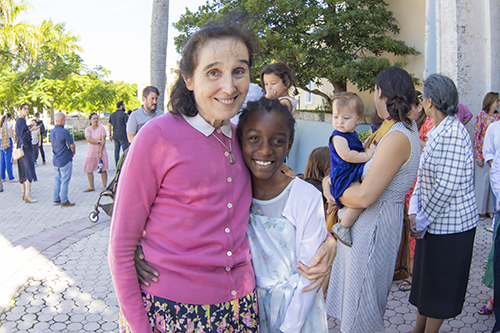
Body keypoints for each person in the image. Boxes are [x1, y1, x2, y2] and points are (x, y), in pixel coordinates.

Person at [108, 22, 336, 333]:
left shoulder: (242, 139)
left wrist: (329, 241)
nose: (229, 87)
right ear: (188, 78)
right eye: (213, 72)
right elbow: (121, 247)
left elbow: (283, 192)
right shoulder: (157, 138)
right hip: (171, 312)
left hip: (240, 311)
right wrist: (138, 327)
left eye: (239, 71)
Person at [324, 66, 420, 332]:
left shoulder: (398, 135)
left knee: (362, 310)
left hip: (373, 226)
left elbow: (366, 195)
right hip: (369, 224)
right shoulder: (392, 130)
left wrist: (335, 192)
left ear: (380, 93)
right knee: (359, 302)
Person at [237, 98, 328, 333]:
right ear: (239, 140)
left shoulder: (305, 196)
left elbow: (310, 275)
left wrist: (289, 328)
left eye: (277, 141)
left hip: (296, 313)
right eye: (254, 138)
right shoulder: (232, 192)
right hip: (246, 310)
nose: (265, 150)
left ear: (289, 145)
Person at [408, 74, 478, 333]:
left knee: (439, 289)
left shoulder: (453, 132)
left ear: (428, 101)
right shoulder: (438, 129)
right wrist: (415, 211)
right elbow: (424, 175)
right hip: (433, 225)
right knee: (427, 284)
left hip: (451, 228)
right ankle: (419, 329)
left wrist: (422, 219)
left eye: (422, 98)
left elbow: (446, 187)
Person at [328, 92, 375, 246]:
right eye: (335, 117)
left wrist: (365, 144)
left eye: (345, 118)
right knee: (360, 198)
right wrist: (367, 155)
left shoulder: (351, 134)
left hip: (351, 173)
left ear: (358, 119)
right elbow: (347, 155)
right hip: (344, 176)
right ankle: (343, 226)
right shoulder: (338, 137)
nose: (339, 122)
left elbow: (356, 148)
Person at [474, 92, 500, 220]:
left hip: (495, 156)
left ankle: (491, 209)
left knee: (492, 184)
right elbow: (477, 136)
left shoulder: (498, 117)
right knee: (482, 184)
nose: (498, 104)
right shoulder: (482, 116)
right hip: (483, 154)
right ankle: (480, 210)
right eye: (496, 101)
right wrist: (478, 155)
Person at [50, 112, 75, 207]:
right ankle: (64, 200)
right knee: (65, 180)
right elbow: (72, 145)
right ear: (62, 120)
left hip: (56, 158)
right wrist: (72, 152)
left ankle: (56, 198)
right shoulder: (64, 132)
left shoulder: (52, 131)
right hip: (65, 158)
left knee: (57, 178)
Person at [16, 103, 37, 203]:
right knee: (28, 169)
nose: (26, 110)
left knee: (23, 170)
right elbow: (23, 135)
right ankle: (27, 194)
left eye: (28, 109)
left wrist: (29, 127)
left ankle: (24, 193)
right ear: (20, 109)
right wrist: (31, 129)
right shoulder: (21, 120)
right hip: (25, 148)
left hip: (22, 147)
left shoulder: (20, 121)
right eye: (24, 109)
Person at [83, 113, 108, 192]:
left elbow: (103, 141)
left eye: (97, 118)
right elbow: (89, 139)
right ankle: (91, 186)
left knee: (103, 169)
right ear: (90, 120)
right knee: (89, 169)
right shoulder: (88, 129)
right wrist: (98, 142)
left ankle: (104, 186)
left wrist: (100, 151)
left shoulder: (101, 128)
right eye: (94, 118)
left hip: (101, 151)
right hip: (91, 152)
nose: (96, 120)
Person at [108, 101, 129, 166]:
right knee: (125, 151)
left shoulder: (112, 115)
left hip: (115, 135)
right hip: (123, 135)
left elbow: (109, 125)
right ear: (121, 106)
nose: (124, 106)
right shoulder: (124, 115)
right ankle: (125, 164)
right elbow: (127, 124)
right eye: (124, 105)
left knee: (116, 151)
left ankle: (117, 164)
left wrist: (110, 135)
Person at [1, 113, 17, 182]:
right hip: (7, 142)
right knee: (9, 160)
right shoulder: (9, 124)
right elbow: (11, 134)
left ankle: (2, 177)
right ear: (9, 118)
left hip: (1, 141)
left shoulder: (1, 123)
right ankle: (11, 177)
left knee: (2, 160)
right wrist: (14, 138)